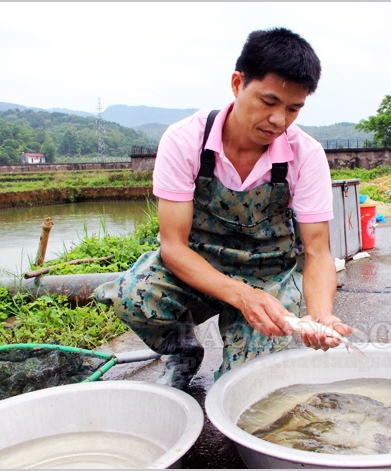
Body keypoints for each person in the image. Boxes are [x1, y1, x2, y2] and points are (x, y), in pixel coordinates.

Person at [94, 27, 352, 390]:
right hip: (199, 267)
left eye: (293, 109)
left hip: (269, 276)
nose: (280, 120)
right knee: (133, 296)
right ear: (237, 83)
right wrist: (241, 295)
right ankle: (181, 349)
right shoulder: (185, 140)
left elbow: (317, 251)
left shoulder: (305, 155)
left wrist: (321, 317)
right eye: (268, 102)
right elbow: (173, 247)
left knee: (249, 385)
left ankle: (247, 354)